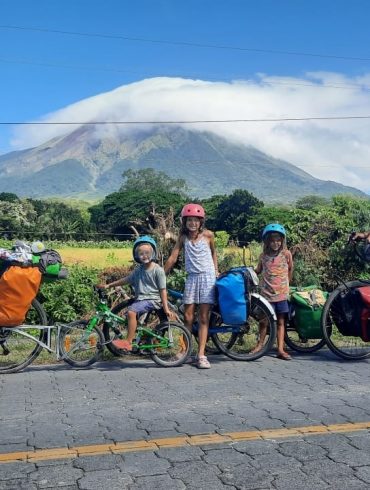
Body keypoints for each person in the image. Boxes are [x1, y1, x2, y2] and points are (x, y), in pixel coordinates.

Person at [164, 203, 218, 369]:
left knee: (203, 317)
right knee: (187, 316)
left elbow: (214, 253)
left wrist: (216, 270)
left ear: (201, 222)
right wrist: (161, 275)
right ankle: (185, 351)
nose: (193, 223)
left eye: (196, 220)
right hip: (192, 279)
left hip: (207, 279)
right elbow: (173, 258)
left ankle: (201, 355)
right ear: (184, 222)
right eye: (189, 220)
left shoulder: (208, 235)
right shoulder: (183, 238)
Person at [99, 236, 173, 351]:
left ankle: (128, 342)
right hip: (141, 300)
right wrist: (109, 285)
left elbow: (163, 290)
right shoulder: (139, 270)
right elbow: (126, 279)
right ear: (137, 256)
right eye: (141, 253)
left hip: (153, 300)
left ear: (153, 253)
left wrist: (166, 308)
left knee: (131, 312)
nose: (145, 256)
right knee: (129, 317)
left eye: (147, 253)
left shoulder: (158, 270)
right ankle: (143, 340)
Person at [253, 223, 294, 360]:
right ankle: (260, 345)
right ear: (267, 241)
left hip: (281, 294)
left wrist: (287, 284)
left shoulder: (286, 254)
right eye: (272, 240)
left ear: (282, 240)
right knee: (263, 321)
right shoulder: (263, 256)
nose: (275, 243)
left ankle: (280, 349)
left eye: (278, 240)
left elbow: (290, 269)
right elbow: (258, 271)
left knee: (281, 322)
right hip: (266, 295)